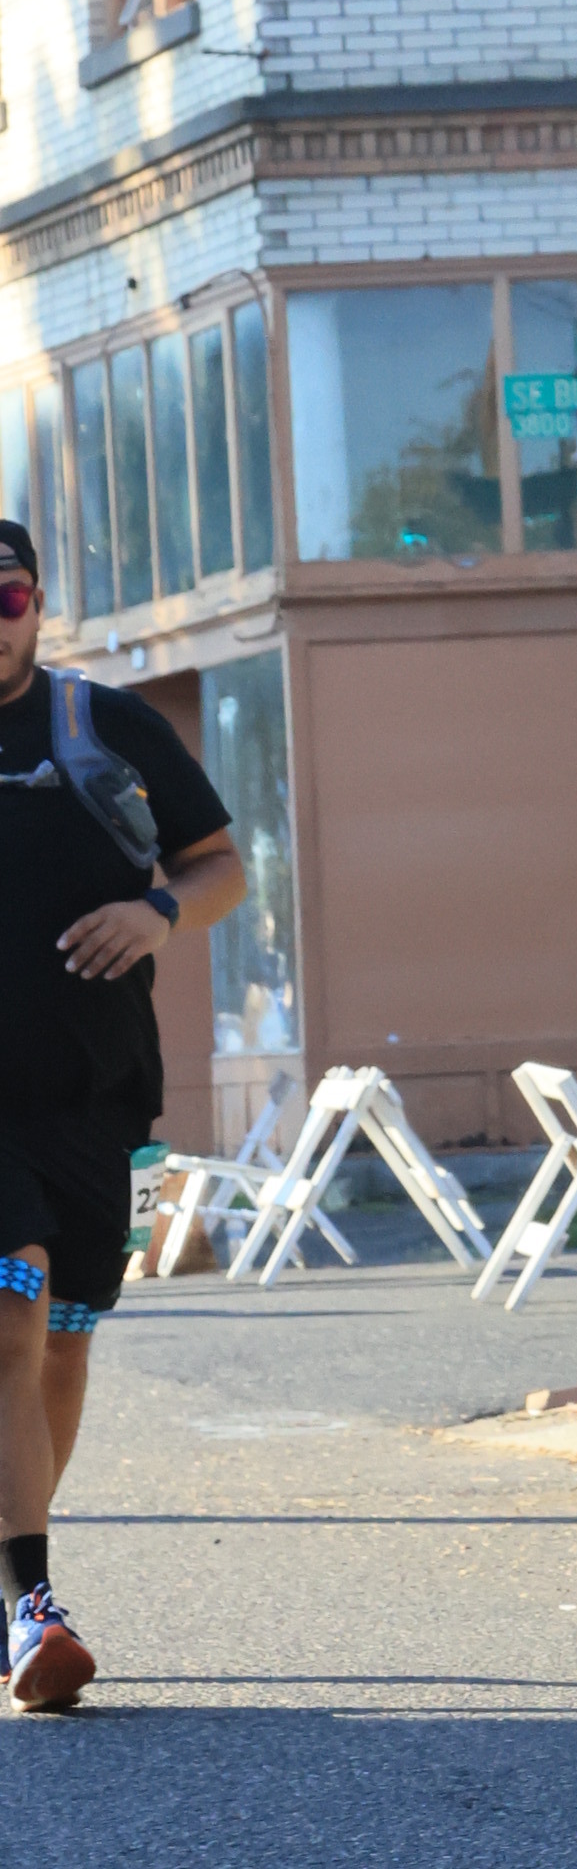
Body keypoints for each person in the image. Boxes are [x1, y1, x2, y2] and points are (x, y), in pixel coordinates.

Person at [0, 517, 243, 1709]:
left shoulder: (108, 727)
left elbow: (221, 866)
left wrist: (158, 912)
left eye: (5, 596)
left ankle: (15, 1571)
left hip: (97, 1090)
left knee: (65, 1337)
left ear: (39, 604)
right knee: (13, 1310)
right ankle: (31, 1605)